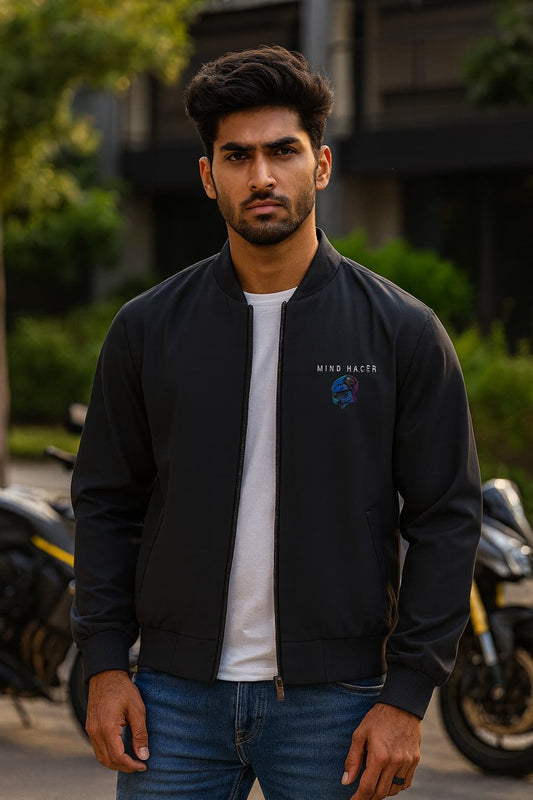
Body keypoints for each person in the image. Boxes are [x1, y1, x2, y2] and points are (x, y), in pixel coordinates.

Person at [71, 46, 481, 800]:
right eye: (238, 156)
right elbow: (104, 503)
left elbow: (446, 519)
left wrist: (405, 697)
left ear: (320, 165)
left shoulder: (401, 333)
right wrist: (103, 664)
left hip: (340, 703)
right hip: (171, 701)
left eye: (282, 151)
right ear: (208, 177)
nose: (261, 176)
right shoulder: (147, 329)